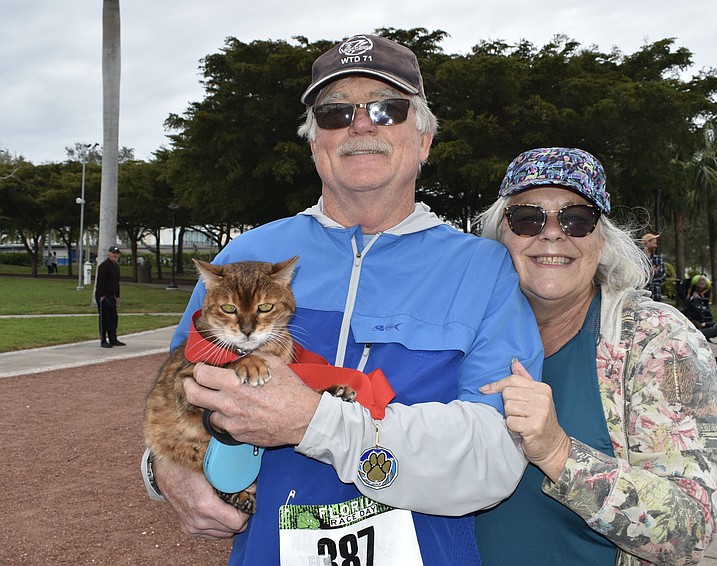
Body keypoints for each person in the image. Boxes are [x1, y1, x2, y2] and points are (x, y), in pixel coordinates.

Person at [141, 34, 544, 565]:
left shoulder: (484, 269)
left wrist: (315, 422)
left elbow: (494, 458)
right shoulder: (244, 257)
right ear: (315, 144)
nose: (361, 125)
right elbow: (178, 391)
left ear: (424, 140)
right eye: (335, 113)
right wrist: (163, 469)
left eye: (387, 109)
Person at [475, 147, 717, 565]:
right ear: (500, 235)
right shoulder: (464, 328)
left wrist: (558, 453)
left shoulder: (660, 341)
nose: (552, 234)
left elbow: (691, 530)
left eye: (577, 219)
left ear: (602, 239)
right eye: (527, 218)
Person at [95, 245, 125, 348]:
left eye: (116, 253)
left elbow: (116, 282)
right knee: (104, 318)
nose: (115, 255)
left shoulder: (116, 267)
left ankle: (113, 339)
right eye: (113, 253)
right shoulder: (104, 266)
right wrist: (101, 295)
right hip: (104, 295)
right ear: (109, 254)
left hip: (112, 295)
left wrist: (117, 296)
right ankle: (103, 340)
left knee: (113, 318)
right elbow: (100, 282)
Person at [641, 232, 666, 301]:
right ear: (647, 242)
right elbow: (636, 277)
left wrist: (645, 276)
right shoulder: (637, 259)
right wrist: (650, 272)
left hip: (655, 294)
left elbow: (662, 277)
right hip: (641, 295)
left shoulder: (658, 259)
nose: (656, 246)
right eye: (654, 243)